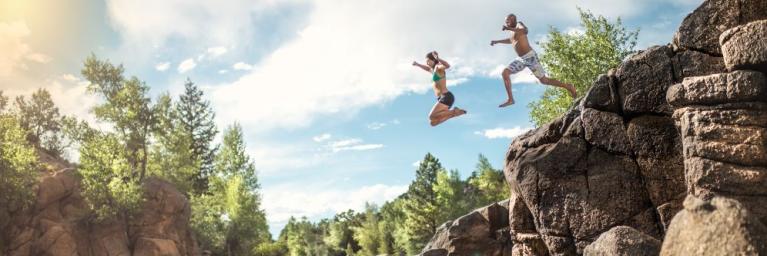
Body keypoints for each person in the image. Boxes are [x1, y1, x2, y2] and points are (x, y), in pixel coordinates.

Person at [490, 14, 577, 108]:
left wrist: (508, 28)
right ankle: (510, 99)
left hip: (530, 57)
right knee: (505, 72)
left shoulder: (519, 24)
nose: (506, 23)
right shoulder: (512, 32)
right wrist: (497, 41)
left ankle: (568, 86)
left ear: (513, 20)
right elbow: (510, 40)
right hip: (521, 59)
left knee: (544, 80)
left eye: (507, 21)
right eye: (505, 22)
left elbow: (525, 31)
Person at [412, 51, 467, 126]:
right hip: (441, 98)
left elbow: (447, 66)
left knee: (431, 116)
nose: (427, 63)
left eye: (428, 61)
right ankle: (453, 114)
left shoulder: (438, 67)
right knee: (433, 122)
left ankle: (454, 111)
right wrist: (418, 64)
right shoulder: (432, 70)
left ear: (433, 60)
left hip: (446, 96)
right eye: (426, 62)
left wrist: (438, 58)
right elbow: (427, 68)